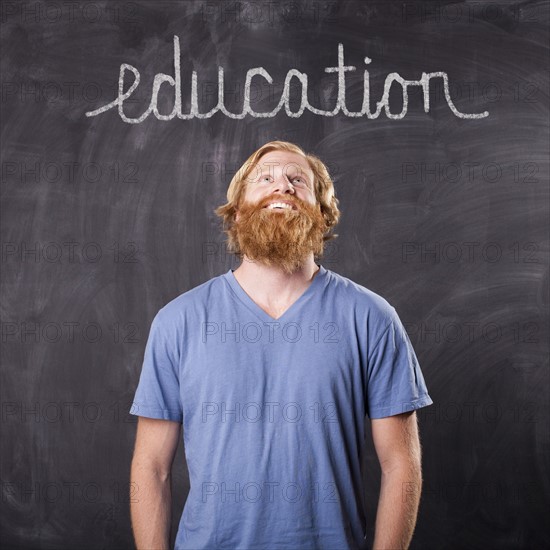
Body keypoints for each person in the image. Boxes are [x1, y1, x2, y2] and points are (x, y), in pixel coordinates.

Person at [129, 141, 433, 550]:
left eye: (297, 180)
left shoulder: (372, 318)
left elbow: (401, 465)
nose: (282, 187)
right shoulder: (177, 321)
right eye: (265, 178)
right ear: (237, 211)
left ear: (322, 214)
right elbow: (151, 468)